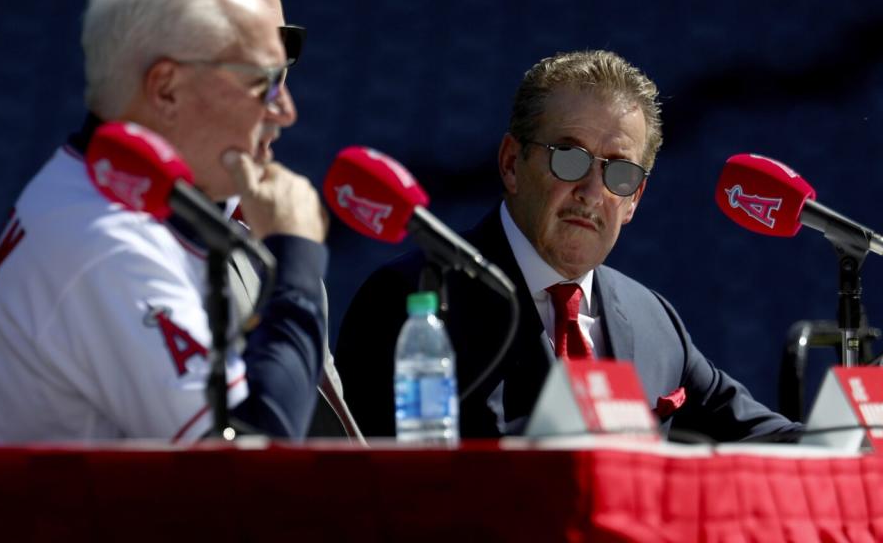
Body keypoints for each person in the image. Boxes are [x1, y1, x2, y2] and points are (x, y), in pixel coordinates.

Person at [0, 0, 330, 443]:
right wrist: (297, 265)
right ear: (166, 88)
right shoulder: (102, 240)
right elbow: (253, 477)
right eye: (260, 81)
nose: (285, 110)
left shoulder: (110, 196)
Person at [336, 50, 801, 441]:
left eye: (619, 172)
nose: (592, 191)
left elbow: (768, 439)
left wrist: (867, 433)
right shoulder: (406, 300)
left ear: (635, 200)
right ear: (512, 163)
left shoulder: (655, 320)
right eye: (570, 158)